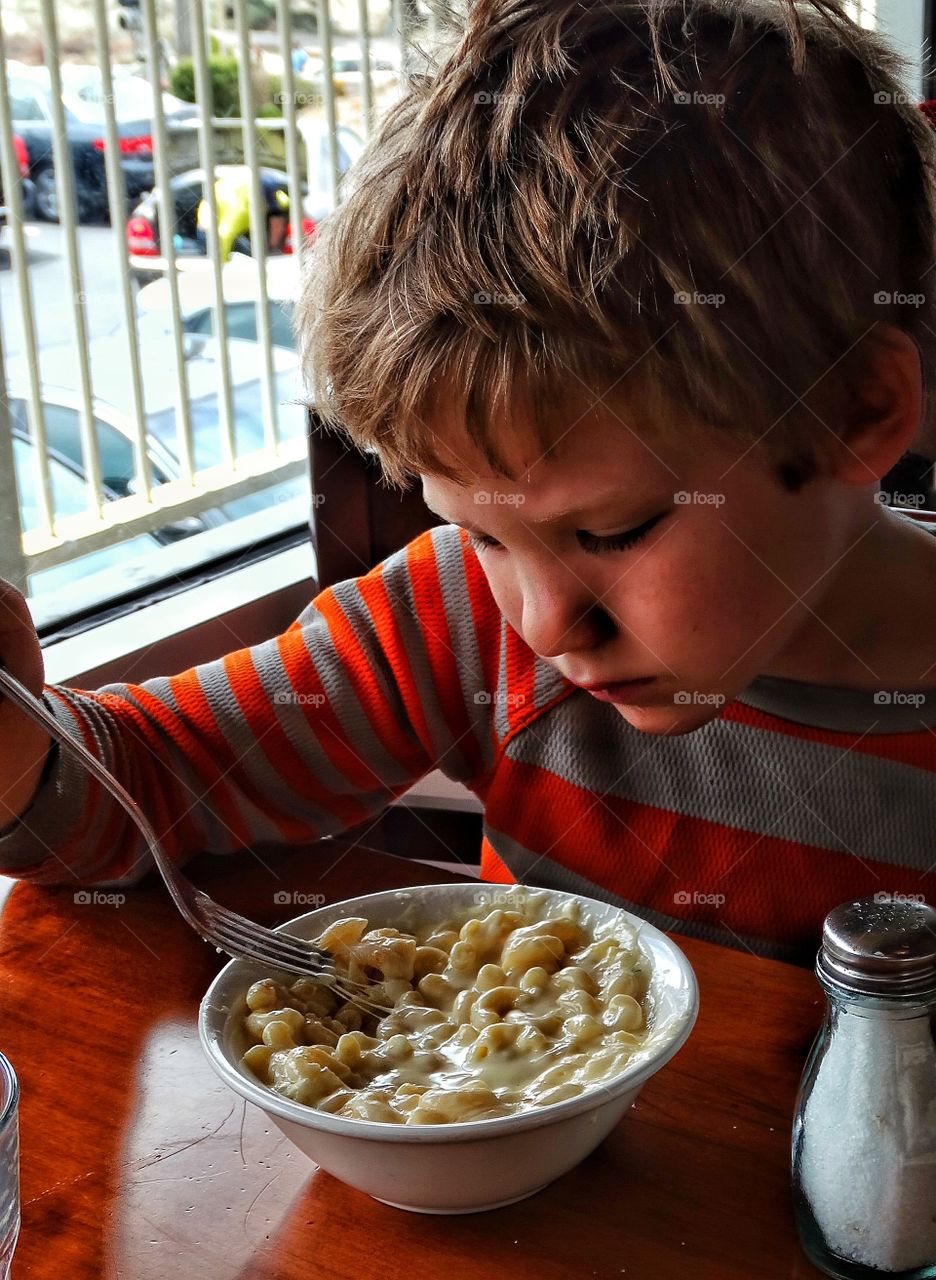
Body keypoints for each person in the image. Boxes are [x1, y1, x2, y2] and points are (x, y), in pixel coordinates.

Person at [2, 0, 936, 966]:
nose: (542, 626)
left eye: (613, 531)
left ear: (855, 413)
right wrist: (15, 750)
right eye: (485, 534)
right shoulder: (456, 617)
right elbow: (151, 779)